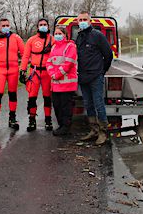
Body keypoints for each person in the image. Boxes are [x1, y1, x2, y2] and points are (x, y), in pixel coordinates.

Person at [75, 12, 113, 145]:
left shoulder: (98, 35)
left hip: (96, 76)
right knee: (88, 104)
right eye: (80, 20)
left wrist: (102, 70)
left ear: (90, 21)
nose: (82, 21)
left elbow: (108, 54)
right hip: (83, 76)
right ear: (77, 21)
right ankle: (94, 130)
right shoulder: (79, 37)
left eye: (85, 19)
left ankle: (103, 132)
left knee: (98, 104)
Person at [0, 18, 24, 130]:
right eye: (3, 25)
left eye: (7, 25)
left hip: (13, 70)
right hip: (0, 70)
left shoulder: (16, 38)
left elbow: (24, 53)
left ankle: (12, 118)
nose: (6, 27)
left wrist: (23, 68)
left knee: (12, 93)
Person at [19, 18, 54, 132]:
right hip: (34, 72)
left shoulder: (52, 40)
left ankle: (48, 120)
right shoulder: (31, 40)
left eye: (45, 24)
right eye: (41, 24)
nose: (43, 26)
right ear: (37, 27)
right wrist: (22, 70)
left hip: (47, 73)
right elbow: (25, 56)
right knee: (32, 97)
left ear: (48, 27)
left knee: (47, 97)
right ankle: (32, 119)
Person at [46, 27, 78, 136]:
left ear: (65, 34)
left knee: (66, 107)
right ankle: (61, 125)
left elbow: (68, 63)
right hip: (55, 84)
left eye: (60, 33)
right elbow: (49, 62)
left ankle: (66, 127)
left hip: (67, 84)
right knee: (57, 106)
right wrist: (52, 73)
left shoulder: (71, 46)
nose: (57, 35)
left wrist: (57, 74)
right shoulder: (54, 47)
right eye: (55, 33)